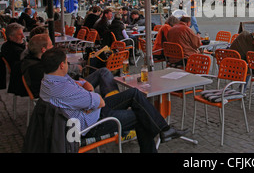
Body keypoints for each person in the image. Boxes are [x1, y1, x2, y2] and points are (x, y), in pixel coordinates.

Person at [39, 47, 187, 153]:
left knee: (134, 93)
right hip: (92, 124)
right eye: (67, 62)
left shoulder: (50, 80)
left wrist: (88, 94)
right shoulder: (62, 88)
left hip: (90, 111)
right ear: (61, 65)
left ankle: (164, 130)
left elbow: (83, 85)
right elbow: (100, 101)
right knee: (142, 117)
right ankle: (163, 131)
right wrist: (90, 96)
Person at [0, 23, 27, 96]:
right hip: (23, 82)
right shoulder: (16, 51)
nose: (23, 36)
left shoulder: (6, 46)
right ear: (11, 37)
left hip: (16, 80)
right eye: (20, 34)